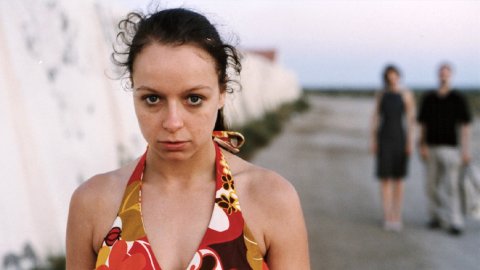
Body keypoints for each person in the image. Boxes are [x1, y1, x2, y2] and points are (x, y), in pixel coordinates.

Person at [66, 8, 310, 269]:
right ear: (134, 92)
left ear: (222, 93)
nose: (172, 122)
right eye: (152, 98)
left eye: (193, 99)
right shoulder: (93, 203)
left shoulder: (271, 199)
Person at [417, 63, 472, 236]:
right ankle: (436, 217)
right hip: (431, 148)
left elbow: (465, 126)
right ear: (437, 75)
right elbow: (422, 124)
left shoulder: (458, 98)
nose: (443, 76)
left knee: (452, 187)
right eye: (441, 73)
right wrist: (422, 145)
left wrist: (465, 150)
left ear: (451, 76)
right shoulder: (429, 97)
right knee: (431, 186)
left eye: (446, 73)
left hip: (451, 149)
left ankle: (455, 221)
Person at [370, 65, 416, 231]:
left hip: (400, 139)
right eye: (389, 76)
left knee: (398, 179)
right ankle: (387, 214)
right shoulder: (381, 95)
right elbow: (375, 118)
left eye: (395, 76)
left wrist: (410, 142)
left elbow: (411, 120)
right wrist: (373, 140)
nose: (392, 79)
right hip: (384, 138)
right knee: (385, 179)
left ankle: (397, 215)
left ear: (398, 76)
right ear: (386, 78)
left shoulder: (406, 94)